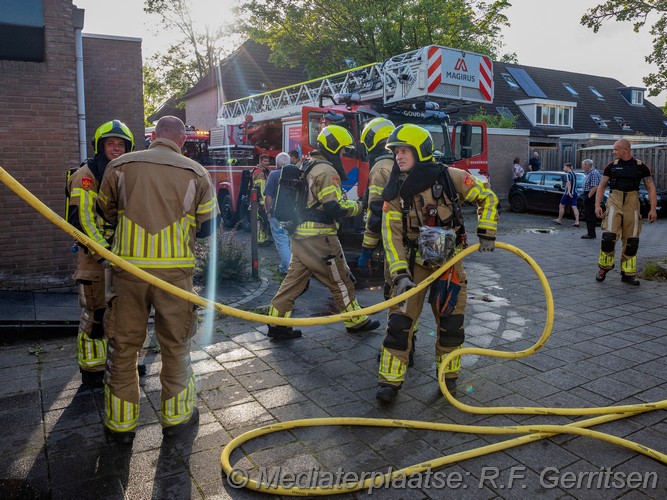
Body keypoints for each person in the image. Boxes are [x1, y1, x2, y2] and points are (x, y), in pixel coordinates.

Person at [97, 116, 219, 444]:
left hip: (128, 274)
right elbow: (208, 227)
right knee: (176, 346)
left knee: (123, 347)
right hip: (175, 276)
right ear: (181, 139)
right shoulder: (197, 172)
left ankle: (120, 426)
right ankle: (177, 419)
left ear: (154, 136)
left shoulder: (120, 166)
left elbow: (105, 213)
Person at [376, 124, 499, 403]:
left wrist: (487, 231)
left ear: (421, 151)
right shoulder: (394, 193)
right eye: (396, 151)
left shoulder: (450, 177)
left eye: (405, 150)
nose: (399, 156)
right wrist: (399, 275)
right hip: (414, 266)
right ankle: (389, 383)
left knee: (451, 323)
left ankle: (448, 377)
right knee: (399, 325)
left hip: (449, 265)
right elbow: (391, 236)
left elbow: (487, 196)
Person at [266, 124, 380, 339]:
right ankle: (355, 321)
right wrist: (359, 207)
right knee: (341, 279)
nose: (345, 154)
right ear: (335, 147)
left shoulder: (307, 163)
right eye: (343, 150)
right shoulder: (327, 170)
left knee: (294, 281)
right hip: (320, 236)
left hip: (300, 234)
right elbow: (332, 207)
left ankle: (276, 323)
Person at [67, 119, 135, 388]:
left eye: (121, 144)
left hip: (121, 259)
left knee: (121, 314)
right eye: (111, 144)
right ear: (100, 146)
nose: (116, 148)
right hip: (95, 261)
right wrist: (106, 253)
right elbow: (81, 221)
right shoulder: (87, 176)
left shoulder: (124, 174)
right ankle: (91, 370)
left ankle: (118, 363)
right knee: (95, 316)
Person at [594, 139, 658, 285]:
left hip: (632, 202)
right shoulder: (611, 166)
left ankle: (628, 273)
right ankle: (604, 268)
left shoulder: (641, 167)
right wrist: (598, 205)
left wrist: (653, 209)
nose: (613, 152)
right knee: (608, 237)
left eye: (616, 149)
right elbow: (602, 186)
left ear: (625, 150)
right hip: (614, 201)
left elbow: (651, 188)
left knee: (631, 241)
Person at [357, 117, 395, 283]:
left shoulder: (380, 169)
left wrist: (366, 250)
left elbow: (377, 212)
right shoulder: (404, 160)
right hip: (411, 237)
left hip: (393, 238)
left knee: (394, 288)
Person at [264, 151, 292, 274]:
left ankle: (289, 269)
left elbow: (268, 196)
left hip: (277, 215)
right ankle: (287, 265)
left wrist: (268, 211)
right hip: (292, 215)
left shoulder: (274, 175)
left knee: (281, 241)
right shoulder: (298, 175)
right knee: (290, 240)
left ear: (277, 164)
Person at [253, 154, 272, 246]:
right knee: (261, 221)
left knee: (265, 221)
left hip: (261, 201)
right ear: (260, 161)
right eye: (265, 161)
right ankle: (260, 241)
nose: (267, 163)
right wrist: (263, 203)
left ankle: (266, 238)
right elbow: (261, 190)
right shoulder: (259, 173)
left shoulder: (265, 171)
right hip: (260, 202)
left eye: (268, 161)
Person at [580, 159, 602, 239]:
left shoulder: (593, 173)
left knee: (590, 215)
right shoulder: (590, 173)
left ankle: (591, 233)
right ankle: (590, 232)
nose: (582, 167)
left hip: (591, 195)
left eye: (583, 165)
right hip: (587, 194)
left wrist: (588, 197)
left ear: (587, 165)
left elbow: (595, 187)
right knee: (588, 214)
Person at [553, 162, 579, 226]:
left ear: (568, 167)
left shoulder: (568, 174)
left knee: (561, 206)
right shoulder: (574, 174)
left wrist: (569, 192)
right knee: (574, 207)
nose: (563, 168)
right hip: (575, 193)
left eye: (564, 167)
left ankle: (559, 220)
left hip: (568, 193)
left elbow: (568, 183)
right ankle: (577, 222)